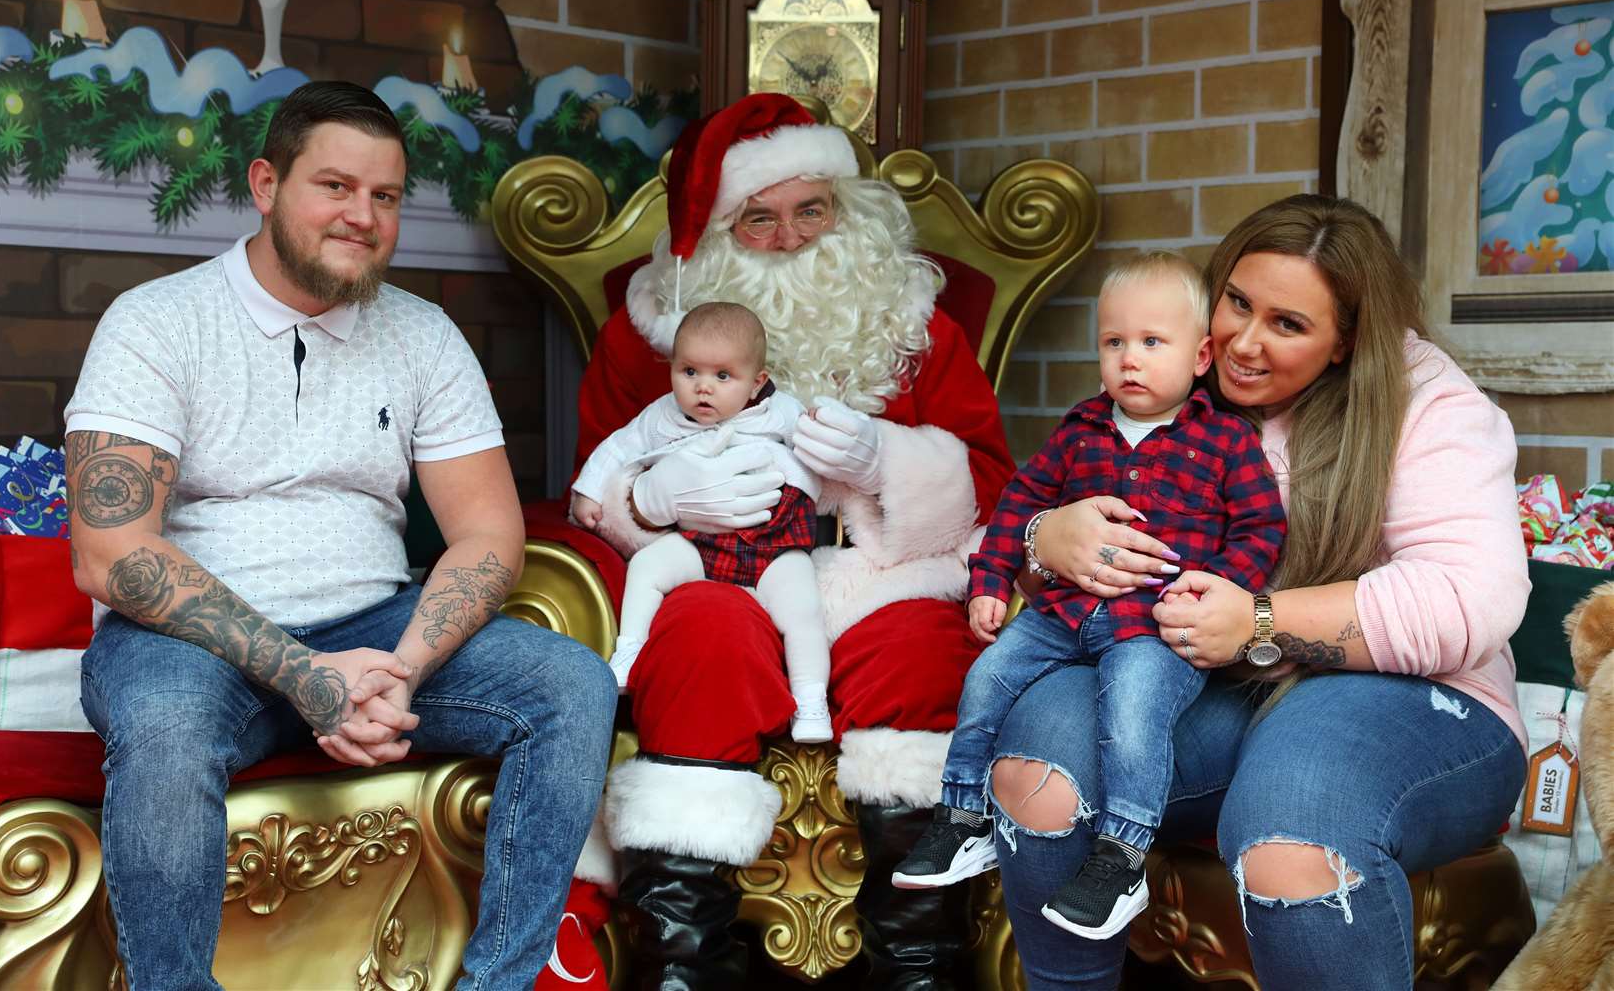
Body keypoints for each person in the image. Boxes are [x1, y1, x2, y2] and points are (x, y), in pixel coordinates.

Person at [64, 81, 617, 990]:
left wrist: (400, 665)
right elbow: (112, 552)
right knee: (161, 725)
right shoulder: (157, 322)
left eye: (386, 196)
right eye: (334, 186)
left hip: (375, 623)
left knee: (571, 683)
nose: (362, 216)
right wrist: (305, 677)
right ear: (266, 184)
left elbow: (487, 534)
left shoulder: (426, 336)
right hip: (192, 641)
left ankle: (500, 983)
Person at [984, 194, 1530, 990]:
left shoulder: (1429, 402)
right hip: (1217, 680)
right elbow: (1035, 546)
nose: (1243, 340)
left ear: (1345, 343)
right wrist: (1048, 538)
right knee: (1036, 762)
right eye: (1237, 303)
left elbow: (1466, 598)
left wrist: (1257, 619)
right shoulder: (1172, 377)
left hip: (1411, 694)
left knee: (1293, 832)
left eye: (1288, 325)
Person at [573, 93, 1015, 989]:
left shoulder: (921, 327)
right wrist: (651, 499)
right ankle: (685, 965)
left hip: (877, 572)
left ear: (845, 212)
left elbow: (997, 484)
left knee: (920, 653)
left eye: (812, 209)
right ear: (718, 229)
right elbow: (590, 486)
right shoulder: (650, 333)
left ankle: (918, 962)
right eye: (758, 218)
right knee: (700, 636)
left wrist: (888, 456)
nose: (790, 239)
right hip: (719, 573)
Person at [891, 253, 1284, 942]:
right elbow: (1022, 501)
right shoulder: (1082, 427)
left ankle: (1121, 856)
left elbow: (1261, 527)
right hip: (1066, 612)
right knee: (987, 676)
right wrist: (989, 580)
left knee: (1133, 713)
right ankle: (960, 821)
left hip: (1155, 629)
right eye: (1114, 342)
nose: (1130, 359)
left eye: (1151, 343)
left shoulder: (1224, 441)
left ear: (1200, 358)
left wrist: (1216, 584)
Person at [571, 300, 832, 741]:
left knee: (804, 612)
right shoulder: (662, 416)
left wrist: (829, 429)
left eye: (723, 376)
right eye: (689, 372)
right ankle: (629, 652)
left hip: (773, 547)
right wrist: (589, 489)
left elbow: (820, 446)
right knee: (648, 567)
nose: (703, 389)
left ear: (757, 383)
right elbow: (619, 446)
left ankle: (810, 702)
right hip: (701, 543)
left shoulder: (780, 412)